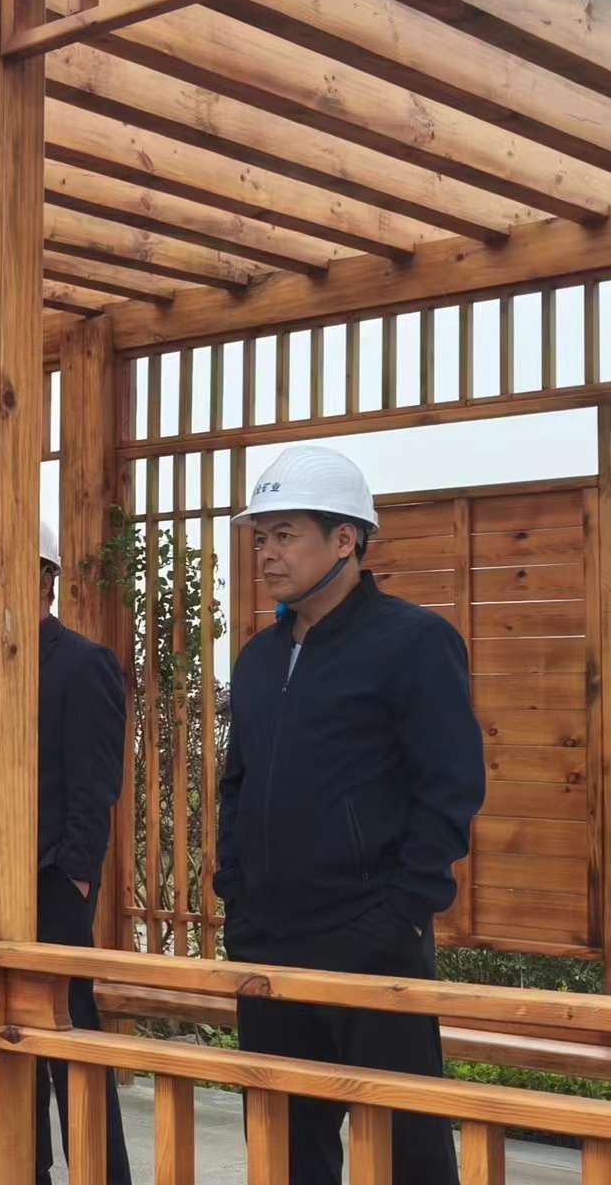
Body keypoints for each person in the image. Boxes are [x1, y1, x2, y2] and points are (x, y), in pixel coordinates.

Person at [213, 445, 483, 1185]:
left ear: (344, 539)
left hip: (371, 941)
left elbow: (450, 787)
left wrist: (399, 912)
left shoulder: (413, 642)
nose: (266, 553)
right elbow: (237, 785)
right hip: (269, 943)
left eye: (285, 534)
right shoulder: (259, 658)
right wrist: (237, 896)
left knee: (407, 1151)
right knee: (283, 1149)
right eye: (260, 536)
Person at [32, 521, 131, 1184]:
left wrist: (73, 878)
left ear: (47, 577)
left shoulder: (81, 662)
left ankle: (102, 1173)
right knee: (8, 1044)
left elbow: (95, 785)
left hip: (52, 884)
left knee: (72, 1043)